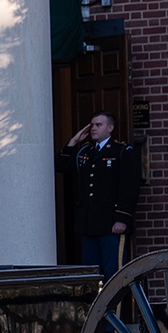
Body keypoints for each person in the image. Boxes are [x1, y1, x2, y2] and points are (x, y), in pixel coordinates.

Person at [55, 111, 140, 279]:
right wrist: (73, 142)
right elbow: (61, 165)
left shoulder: (122, 151)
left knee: (113, 274)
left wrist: (122, 218)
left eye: (98, 125)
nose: (93, 128)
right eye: (92, 125)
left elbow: (129, 186)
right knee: (93, 275)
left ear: (110, 128)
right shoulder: (86, 152)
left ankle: (112, 307)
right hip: (89, 225)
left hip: (111, 224)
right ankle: (97, 306)